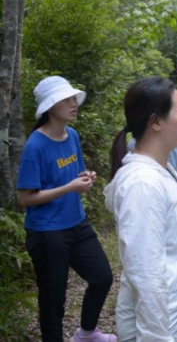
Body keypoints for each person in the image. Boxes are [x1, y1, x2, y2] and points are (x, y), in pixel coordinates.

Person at [104, 77, 177, 341]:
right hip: (160, 328)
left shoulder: (162, 169)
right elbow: (146, 275)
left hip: (174, 317)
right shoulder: (143, 184)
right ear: (156, 122)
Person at [16, 76, 115, 342]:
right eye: (67, 100)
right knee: (53, 299)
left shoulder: (72, 135)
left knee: (103, 277)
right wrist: (70, 188)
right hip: (47, 232)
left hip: (76, 224)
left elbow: (74, 173)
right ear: (50, 107)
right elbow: (25, 197)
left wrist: (86, 177)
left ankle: (86, 333)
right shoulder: (35, 146)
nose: (74, 104)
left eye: (74, 98)